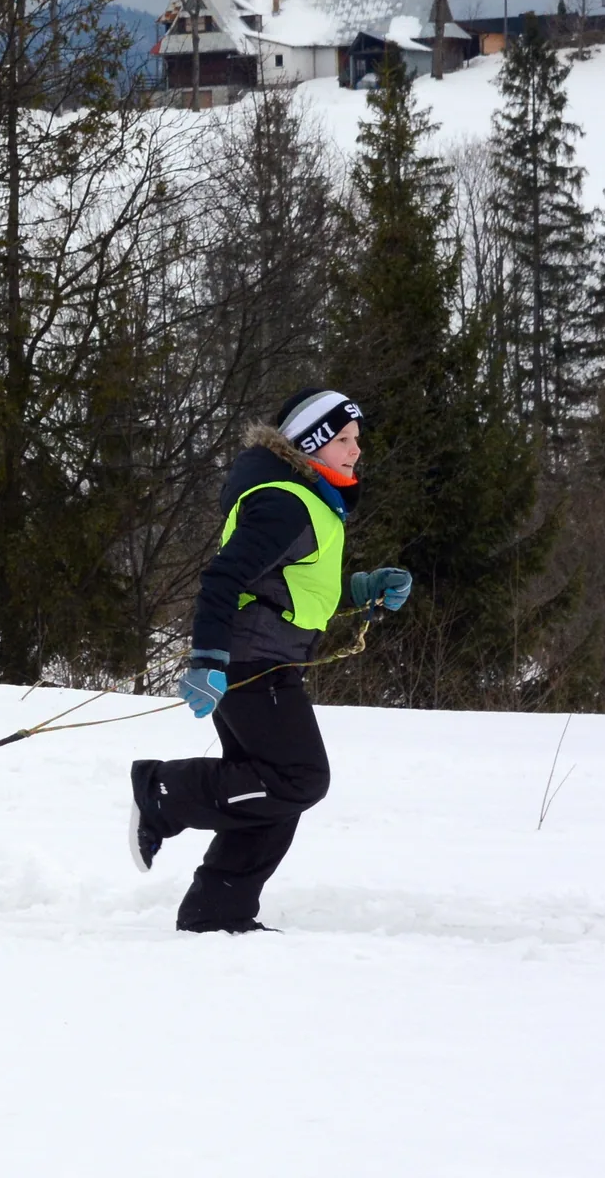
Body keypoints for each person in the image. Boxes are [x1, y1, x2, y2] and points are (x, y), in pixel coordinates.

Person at [127, 388, 412, 932]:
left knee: (270, 791)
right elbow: (223, 578)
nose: (356, 450)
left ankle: (218, 913)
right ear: (310, 443)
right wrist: (207, 657)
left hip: (267, 660)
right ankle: (163, 792)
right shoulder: (286, 502)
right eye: (343, 439)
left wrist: (362, 590)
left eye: (357, 439)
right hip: (251, 662)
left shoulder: (311, 502)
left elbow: (289, 588)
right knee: (298, 778)